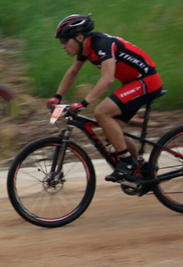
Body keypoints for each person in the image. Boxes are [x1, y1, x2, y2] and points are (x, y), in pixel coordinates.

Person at [47, 14, 163, 182]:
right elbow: (73, 72)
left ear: (79, 37)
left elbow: (107, 79)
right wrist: (57, 96)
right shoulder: (85, 49)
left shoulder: (102, 44)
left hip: (146, 81)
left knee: (101, 112)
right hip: (134, 82)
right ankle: (140, 167)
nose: (63, 46)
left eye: (65, 40)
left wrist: (84, 103)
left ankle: (127, 163)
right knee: (113, 131)